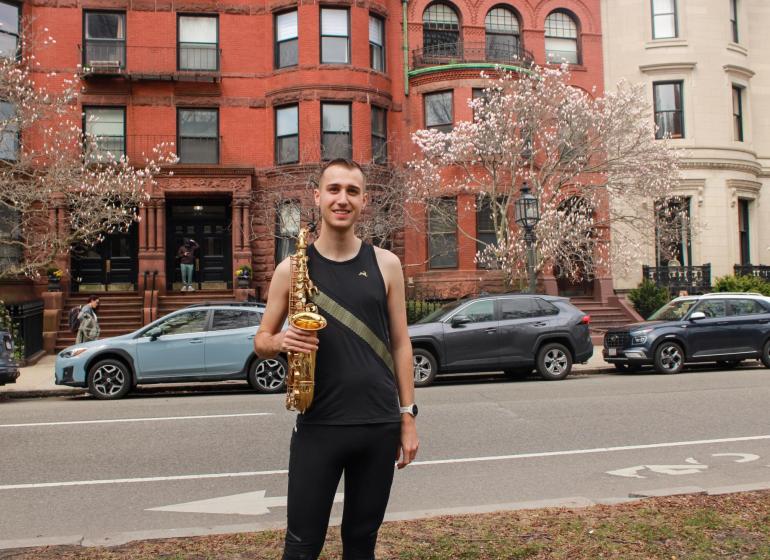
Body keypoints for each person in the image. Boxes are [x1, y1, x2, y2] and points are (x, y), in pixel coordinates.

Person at [255, 159, 419, 560]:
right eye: (333, 189)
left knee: (362, 543)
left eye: (352, 191)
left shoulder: (387, 264)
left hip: (379, 426)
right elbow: (260, 341)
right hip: (318, 425)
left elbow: (401, 343)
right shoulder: (289, 268)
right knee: (301, 545)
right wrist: (280, 341)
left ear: (364, 201)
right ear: (317, 197)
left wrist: (408, 416)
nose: (342, 199)